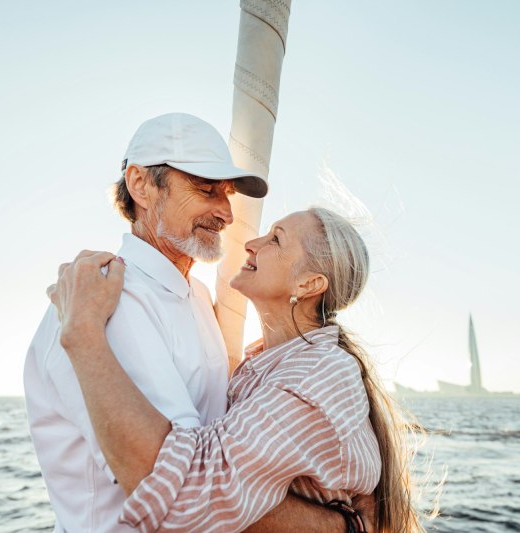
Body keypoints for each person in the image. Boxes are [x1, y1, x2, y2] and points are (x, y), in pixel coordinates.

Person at [25, 113, 360, 532]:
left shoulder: (198, 297)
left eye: (227, 194)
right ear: (141, 185)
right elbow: (181, 486)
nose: (226, 213)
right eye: (205, 190)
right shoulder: (109, 301)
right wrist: (343, 526)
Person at [49, 207, 421, 532]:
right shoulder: (265, 364)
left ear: (309, 284)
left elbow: (192, 497)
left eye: (276, 239)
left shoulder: (316, 377)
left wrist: (83, 333)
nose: (251, 243)